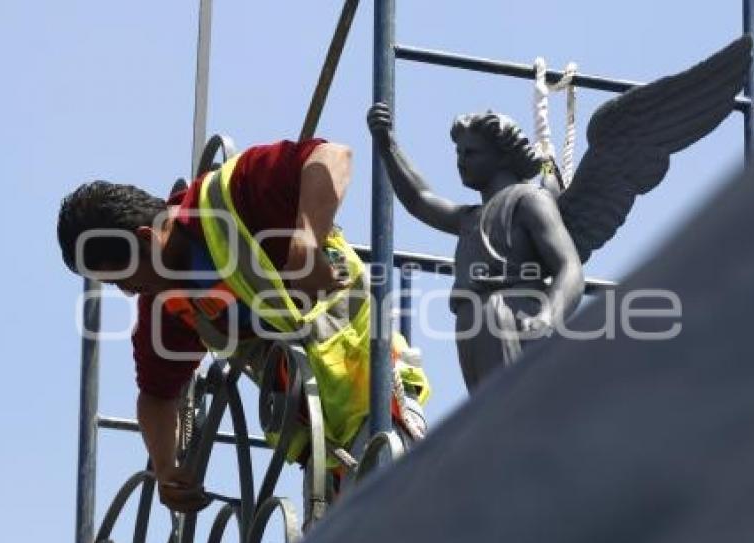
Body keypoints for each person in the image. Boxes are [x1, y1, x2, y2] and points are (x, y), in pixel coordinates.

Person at [57, 138, 430, 515]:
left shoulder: (232, 195)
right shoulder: (168, 305)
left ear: (145, 239)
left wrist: (305, 243)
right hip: (324, 450)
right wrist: (167, 468)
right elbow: (156, 395)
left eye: (122, 277)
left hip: (379, 400)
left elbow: (333, 156)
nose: (126, 290)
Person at [368, 103, 584, 391]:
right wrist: (387, 145)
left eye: (471, 153)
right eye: (458, 153)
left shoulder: (529, 199)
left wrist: (548, 316)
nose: (461, 161)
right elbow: (420, 199)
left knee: (507, 410)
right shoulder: (469, 217)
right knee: (484, 417)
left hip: (506, 310)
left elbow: (570, 267)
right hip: (471, 320)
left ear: (502, 156)